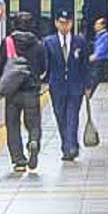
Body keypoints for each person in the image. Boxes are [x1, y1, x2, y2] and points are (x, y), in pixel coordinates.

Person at [0, 11, 47, 173]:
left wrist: (6, 80)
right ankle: (34, 141)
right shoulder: (38, 44)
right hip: (31, 91)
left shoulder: (8, 42)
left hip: (12, 93)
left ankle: (18, 160)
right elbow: (43, 68)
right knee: (34, 123)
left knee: (12, 125)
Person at [43, 10, 89, 162]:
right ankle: (67, 145)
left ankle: (71, 148)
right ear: (56, 23)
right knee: (60, 116)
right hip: (56, 86)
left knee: (72, 115)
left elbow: (85, 64)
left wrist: (87, 84)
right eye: (61, 23)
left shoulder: (79, 41)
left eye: (67, 23)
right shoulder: (49, 42)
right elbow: (46, 65)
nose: (64, 26)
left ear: (71, 23)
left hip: (75, 86)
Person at [87, 16, 108, 100]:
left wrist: (94, 57)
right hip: (103, 60)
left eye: (97, 24)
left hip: (104, 61)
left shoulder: (106, 36)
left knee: (95, 77)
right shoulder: (100, 36)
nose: (95, 26)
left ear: (103, 25)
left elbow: (101, 49)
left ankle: (89, 94)